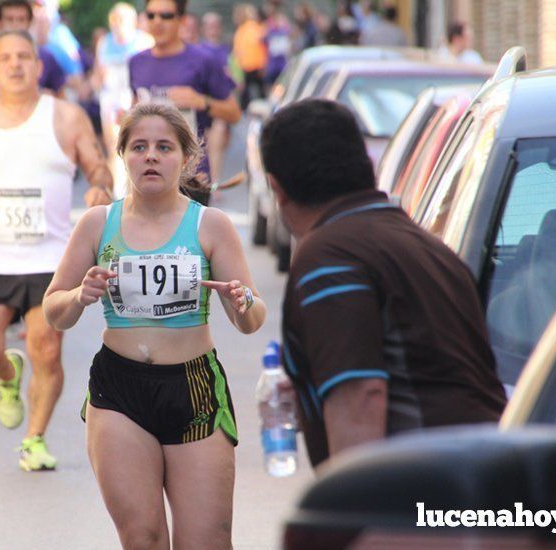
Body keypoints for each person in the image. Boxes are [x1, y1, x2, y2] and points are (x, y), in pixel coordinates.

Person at [43, 102, 266, 548]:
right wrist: (79, 295)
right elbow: (54, 309)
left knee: (206, 541)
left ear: (185, 158)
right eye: (139, 146)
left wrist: (242, 301)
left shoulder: (211, 225)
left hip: (193, 388)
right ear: (122, 155)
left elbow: (251, 320)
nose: (150, 156)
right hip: (119, 390)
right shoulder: (96, 224)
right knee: (142, 537)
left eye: (163, 147)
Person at [260, 99, 507, 469]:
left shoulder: (329, 257)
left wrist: (354, 520)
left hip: (423, 499)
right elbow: (429, 373)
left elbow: (361, 396)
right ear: (366, 166)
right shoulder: (427, 248)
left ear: (277, 189)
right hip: (485, 482)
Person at [0, 30, 113, 471]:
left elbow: (97, 165)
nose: (16, 64)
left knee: (47, 349)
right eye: (6, 58)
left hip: (50, 259)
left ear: (39, 67)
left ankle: (34, 439)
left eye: (25, 56)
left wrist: (99, 186)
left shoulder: (65, 116)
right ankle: (7, 374)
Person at [129, 0, 241, 205]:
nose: (157, 22)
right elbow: (134, 114)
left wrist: (201, 101)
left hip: (192, 177)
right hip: (148, 174)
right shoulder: (137, 62)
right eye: (151, 15)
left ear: (181, 19)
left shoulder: (203, 60)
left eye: (166, 16)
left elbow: (234, 113)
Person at [94, 2, 153, 198]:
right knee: (114, 145)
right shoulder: (104, 42)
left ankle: (138, 187)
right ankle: (118, 194)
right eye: (115, 19)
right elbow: (98, 73)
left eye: (123, 19)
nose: (119, 24)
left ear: (133, 21)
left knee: (138, 143)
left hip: (135, 97)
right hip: (111, 98)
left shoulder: (145, 41)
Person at [198, 12, 232, 185]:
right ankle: (210, 181)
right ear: (203, 29)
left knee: (220, 142)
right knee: (208, 142)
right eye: (209, 26)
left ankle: (215, 181)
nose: (212, 30)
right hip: (203, 103)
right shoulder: (199, 51)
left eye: (215, 26)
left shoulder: (226, 51)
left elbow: (236, 79)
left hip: (221, 103)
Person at [232, 3, 267, 110]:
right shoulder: (245, 29)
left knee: (255, 93)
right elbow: (237, 52)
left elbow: (262, 47)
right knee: (250, 94)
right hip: (249, 66)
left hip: (253, 66)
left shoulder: (251, 28)